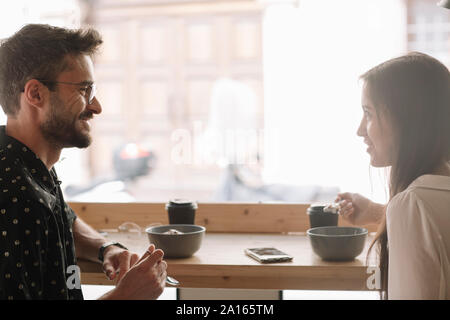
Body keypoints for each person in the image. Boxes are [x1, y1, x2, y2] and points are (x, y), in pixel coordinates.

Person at [0, 24, 167, 300]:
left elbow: (63, 220)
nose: (96, 106)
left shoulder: (27, 165)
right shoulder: (13, 198)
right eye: (84, 90)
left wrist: (106, 248)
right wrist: (125, 297)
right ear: (35, 94)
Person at [335, 52, 450, 299]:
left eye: (369, 113)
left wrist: (394, 211)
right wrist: (378, 212)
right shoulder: (430, 194)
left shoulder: (411, 204)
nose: (359, 130)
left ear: (406, 121)